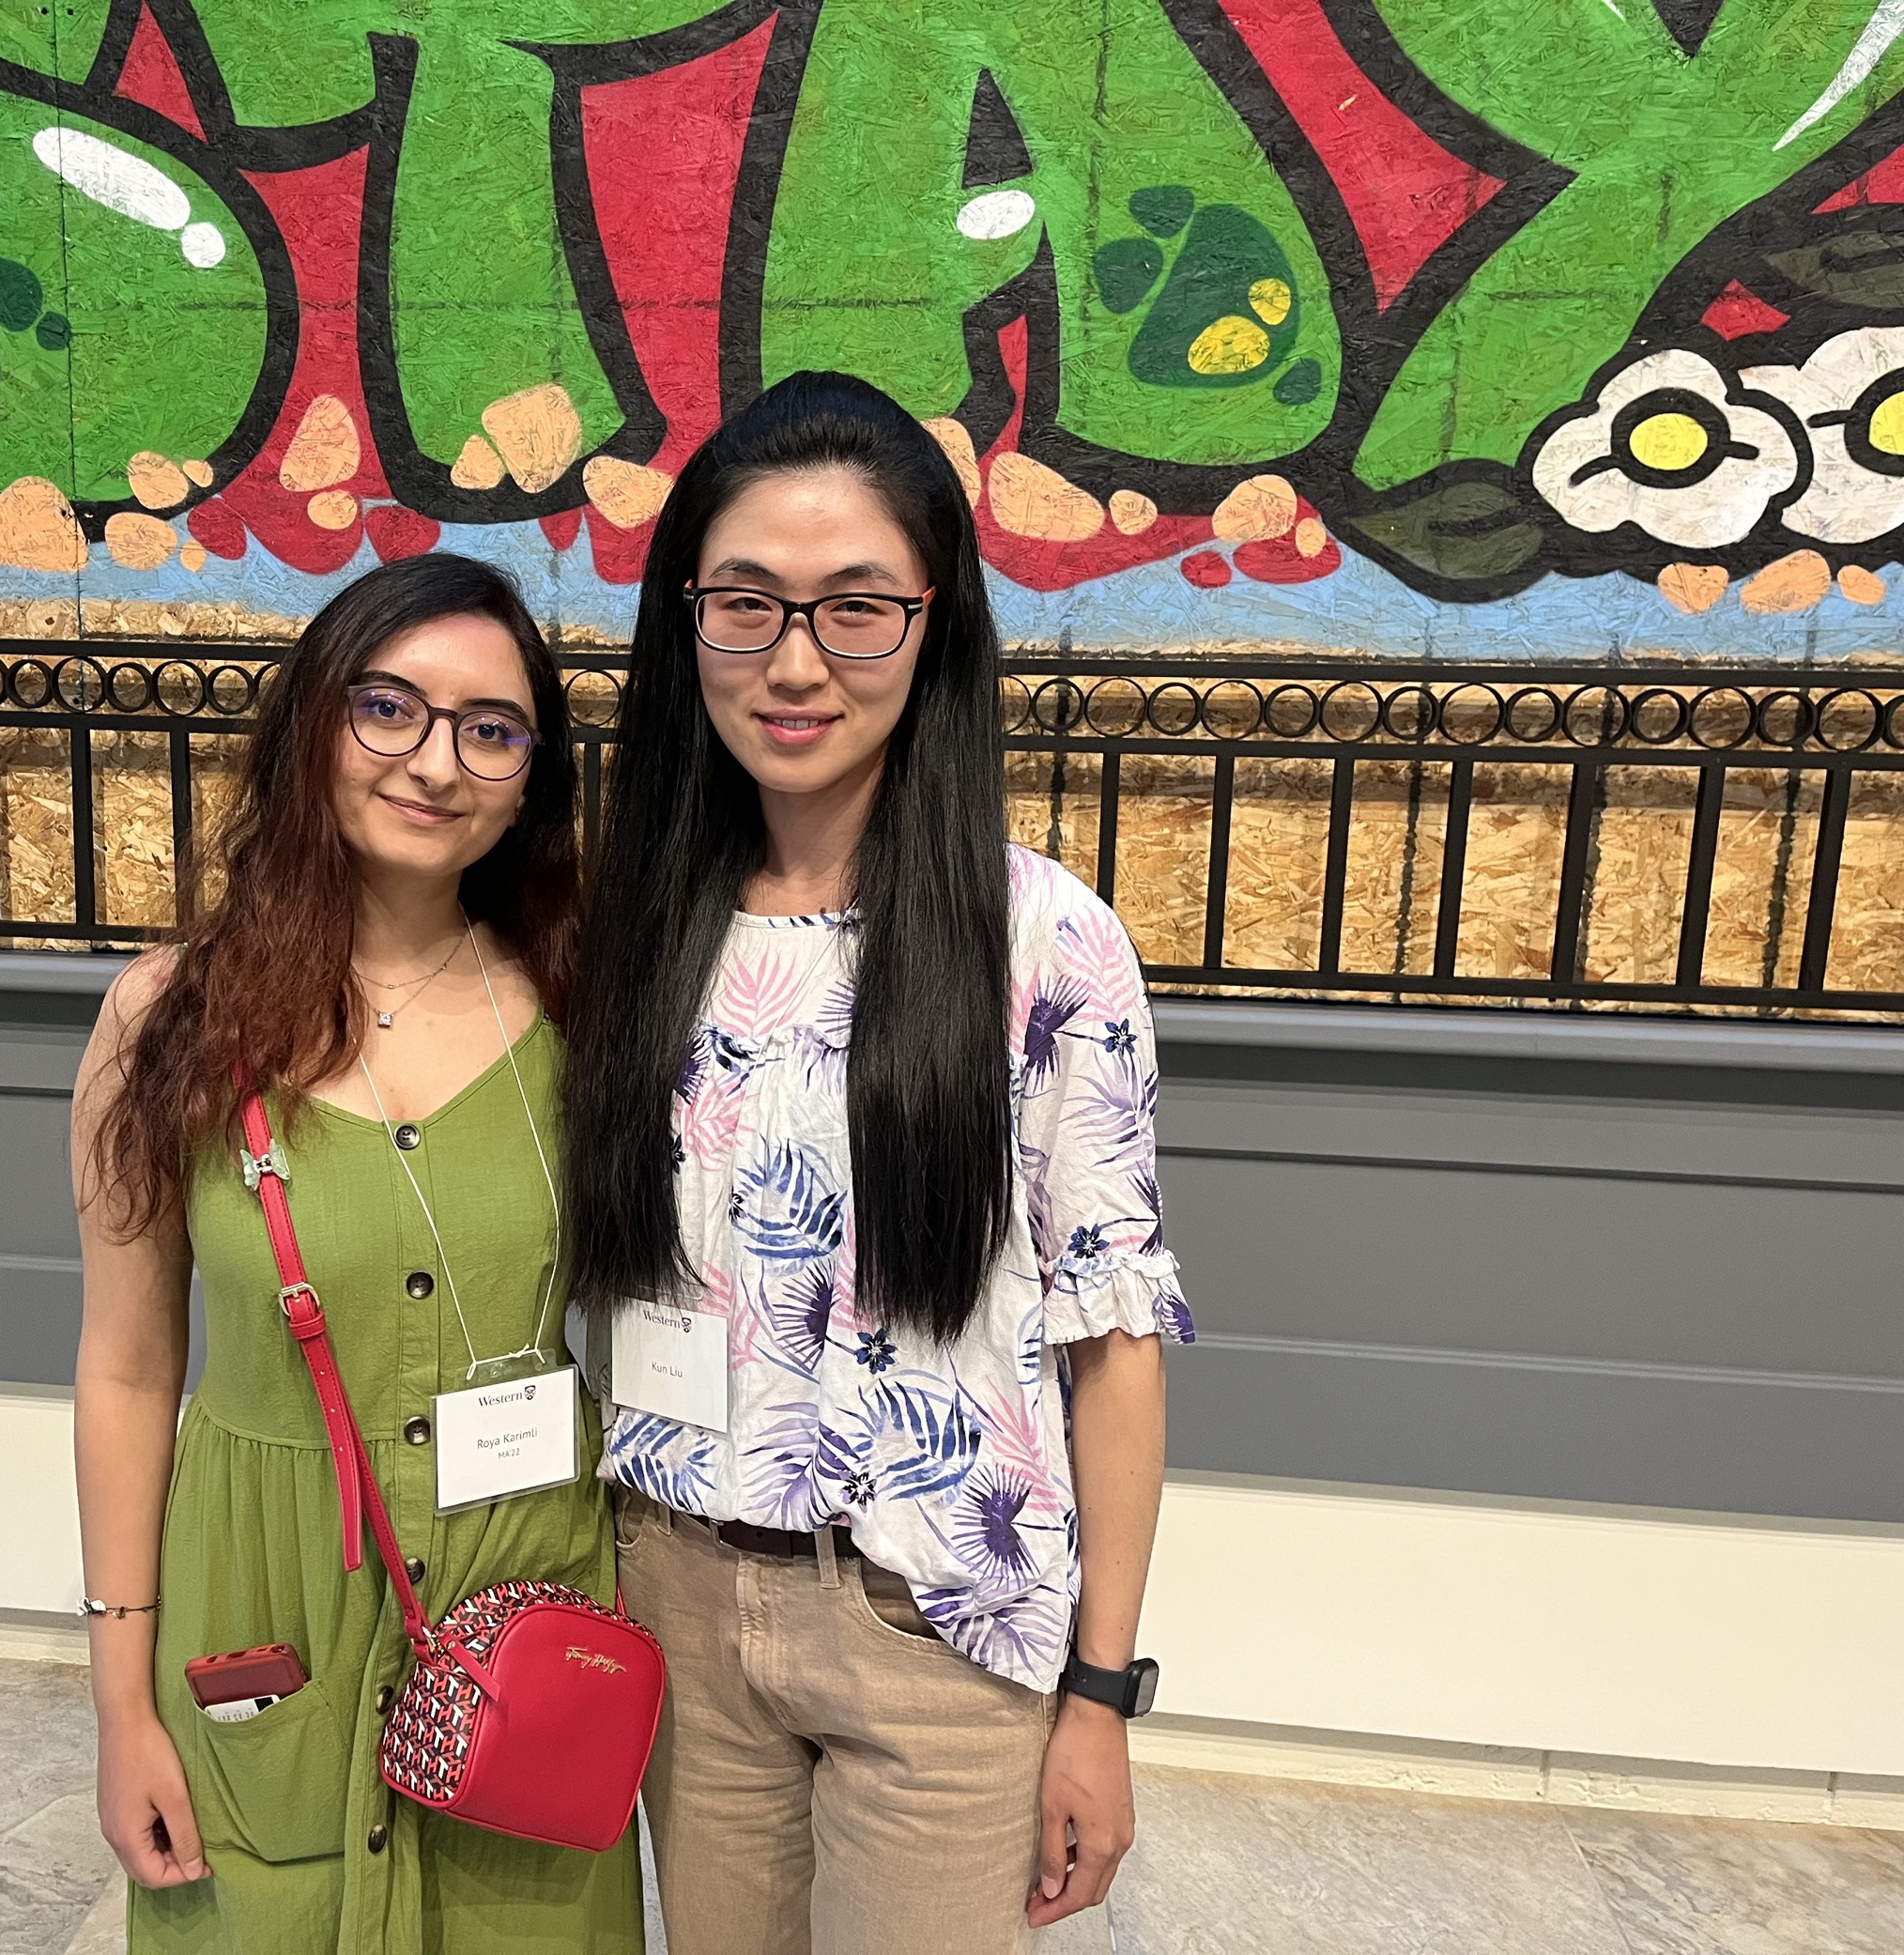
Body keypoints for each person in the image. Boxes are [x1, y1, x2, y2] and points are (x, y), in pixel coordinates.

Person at [567, 371, 1193, 1954]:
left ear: (935, 624)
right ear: (684, 624)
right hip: (680, 1603)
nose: (795, 663)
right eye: (745, 605)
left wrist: (1101, 1693)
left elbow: (1113, 1341)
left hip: (939, 1627)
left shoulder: (1047, 941)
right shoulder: (628, 929)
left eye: (856, 608)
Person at [71, 554, 643, 1954]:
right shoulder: (168, 1018)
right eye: (389, 708)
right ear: (313, 719)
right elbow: (128, 1370)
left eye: (491, 729)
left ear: (532, 777)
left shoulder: (587, 1005)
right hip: (267, 1592)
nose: (436, 763)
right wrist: (120, 1702)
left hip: (525, 1601)